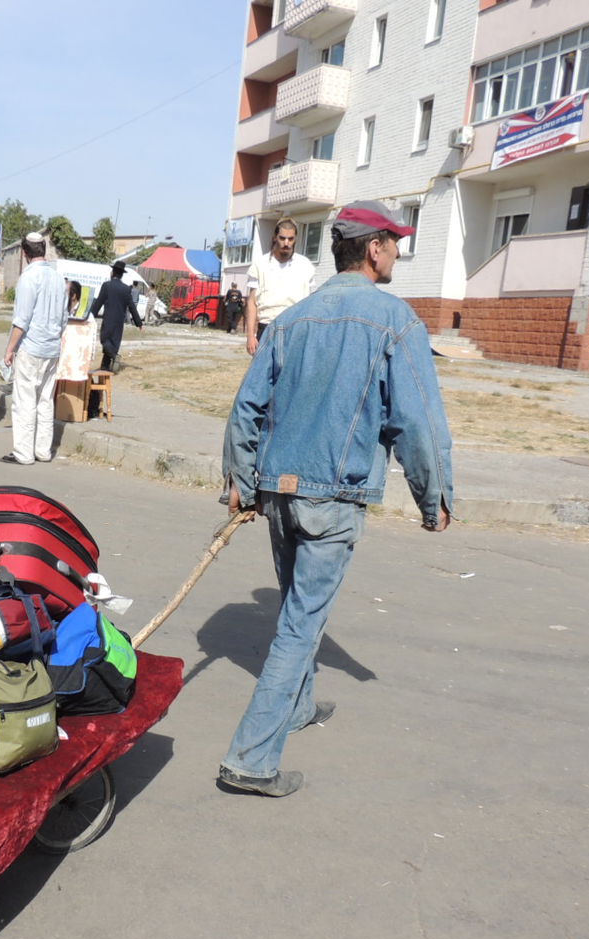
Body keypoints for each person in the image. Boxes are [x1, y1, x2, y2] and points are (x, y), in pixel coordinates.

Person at [217, 200, 453, 797]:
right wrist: (434, 497)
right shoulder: (395, 321)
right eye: (395, 242)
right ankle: (249, 759)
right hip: (333, 495)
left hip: (280, 492)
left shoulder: (292, 320)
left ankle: (298, 707)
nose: (398, 251)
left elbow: (247, 408)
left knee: (298, 607)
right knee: (301, 622)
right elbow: (419, 423)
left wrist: (242, 482)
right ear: (373, 249)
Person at [0, 231, 66, 466]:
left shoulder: (29, 278)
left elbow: (22, 320)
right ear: (44, 250)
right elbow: (64, 318)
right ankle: (43, 451)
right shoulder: (58, 278)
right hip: (51, 348)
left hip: (31, 347)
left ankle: (24, 453)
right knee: (45, 401)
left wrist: (9, 349)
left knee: (25, 401)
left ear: (25, 253)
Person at [244, 218, 314, 357]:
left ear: (295, 239)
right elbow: (251, 303)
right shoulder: (260, 264)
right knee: (263, 376)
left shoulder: (305, 265)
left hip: (296, 328)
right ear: (275, 238)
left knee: (291, 376)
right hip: (268, 327)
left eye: (290, 239)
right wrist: (250, 336)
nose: (286, 243)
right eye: (282, 238)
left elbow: (311, 302)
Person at [88, 261, 142, 373]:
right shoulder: (126, 289)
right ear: (122, 274)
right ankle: (105, 366)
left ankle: (114, 356)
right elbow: (132, 306)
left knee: (104, 340)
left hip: (108, 319)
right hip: (119, 322)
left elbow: (98, 303)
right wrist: (138, 323)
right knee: (114, 342)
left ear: (112, 273)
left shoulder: (107, 286)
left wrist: (89, 316)